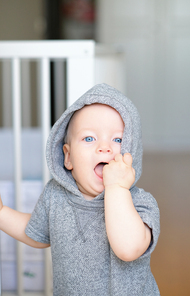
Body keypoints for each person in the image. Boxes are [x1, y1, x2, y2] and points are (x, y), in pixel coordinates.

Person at [0, 83, 160, 295]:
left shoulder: (140, 203)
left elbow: (128, 249)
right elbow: (35, 232)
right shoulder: (55, 195)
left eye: (118, 139)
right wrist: (2, 214)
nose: (104, 147)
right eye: (89, 138)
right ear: (68, 157)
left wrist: (116, 188)